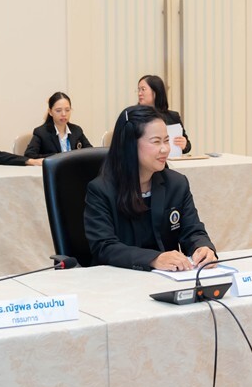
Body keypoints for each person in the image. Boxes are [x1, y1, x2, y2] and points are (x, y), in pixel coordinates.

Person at [83, 105, 216, 270]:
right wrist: (153, 259)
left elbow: (192, 231)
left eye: (166, 140)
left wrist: (202, 247)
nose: (165, 149)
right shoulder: (101, 190)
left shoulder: (177, 184)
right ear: (130, 145)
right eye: (156, 142)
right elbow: (104, 247)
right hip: (119, 278)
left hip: (169, 277)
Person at [25, 92, 92, 159]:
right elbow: (29, 155)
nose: (64, 114)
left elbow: (91, 152)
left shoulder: (77, 130)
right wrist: (56, 156)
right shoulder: (41, 133)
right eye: (58, 110)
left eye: (67, 110)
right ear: (50, 112)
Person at [137, 74, 190, 154]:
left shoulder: (173, 116)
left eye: (143, 89)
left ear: (156, 91)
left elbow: (187, 146)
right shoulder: (134, 116)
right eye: (139, 90)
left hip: (169, 160)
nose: (139, 93)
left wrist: (184, 144)